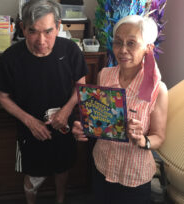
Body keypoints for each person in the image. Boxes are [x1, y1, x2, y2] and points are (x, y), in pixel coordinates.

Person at [0, 0, 88, 204]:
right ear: (22, 28)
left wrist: (65, 111)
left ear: (58, 26)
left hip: (64, 126)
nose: (41, 41)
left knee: (62, 168)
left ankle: (60, 200)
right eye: (33, 31)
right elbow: (2, 96)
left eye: (48, 31)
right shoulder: (11, 58)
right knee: (33, 175)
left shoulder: (71, 50)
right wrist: (30, 122)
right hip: (30, 130)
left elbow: (80, 87)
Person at [72, 15, 168, 204]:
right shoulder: (105, 75)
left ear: (148, 48)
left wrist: (142, 140)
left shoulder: (158, 89)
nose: (122, 50)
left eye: (131, 43)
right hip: (102, 166)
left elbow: (159, 138)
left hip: (134, 175)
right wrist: (85, 127)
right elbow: (101, 120)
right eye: (118, 42)